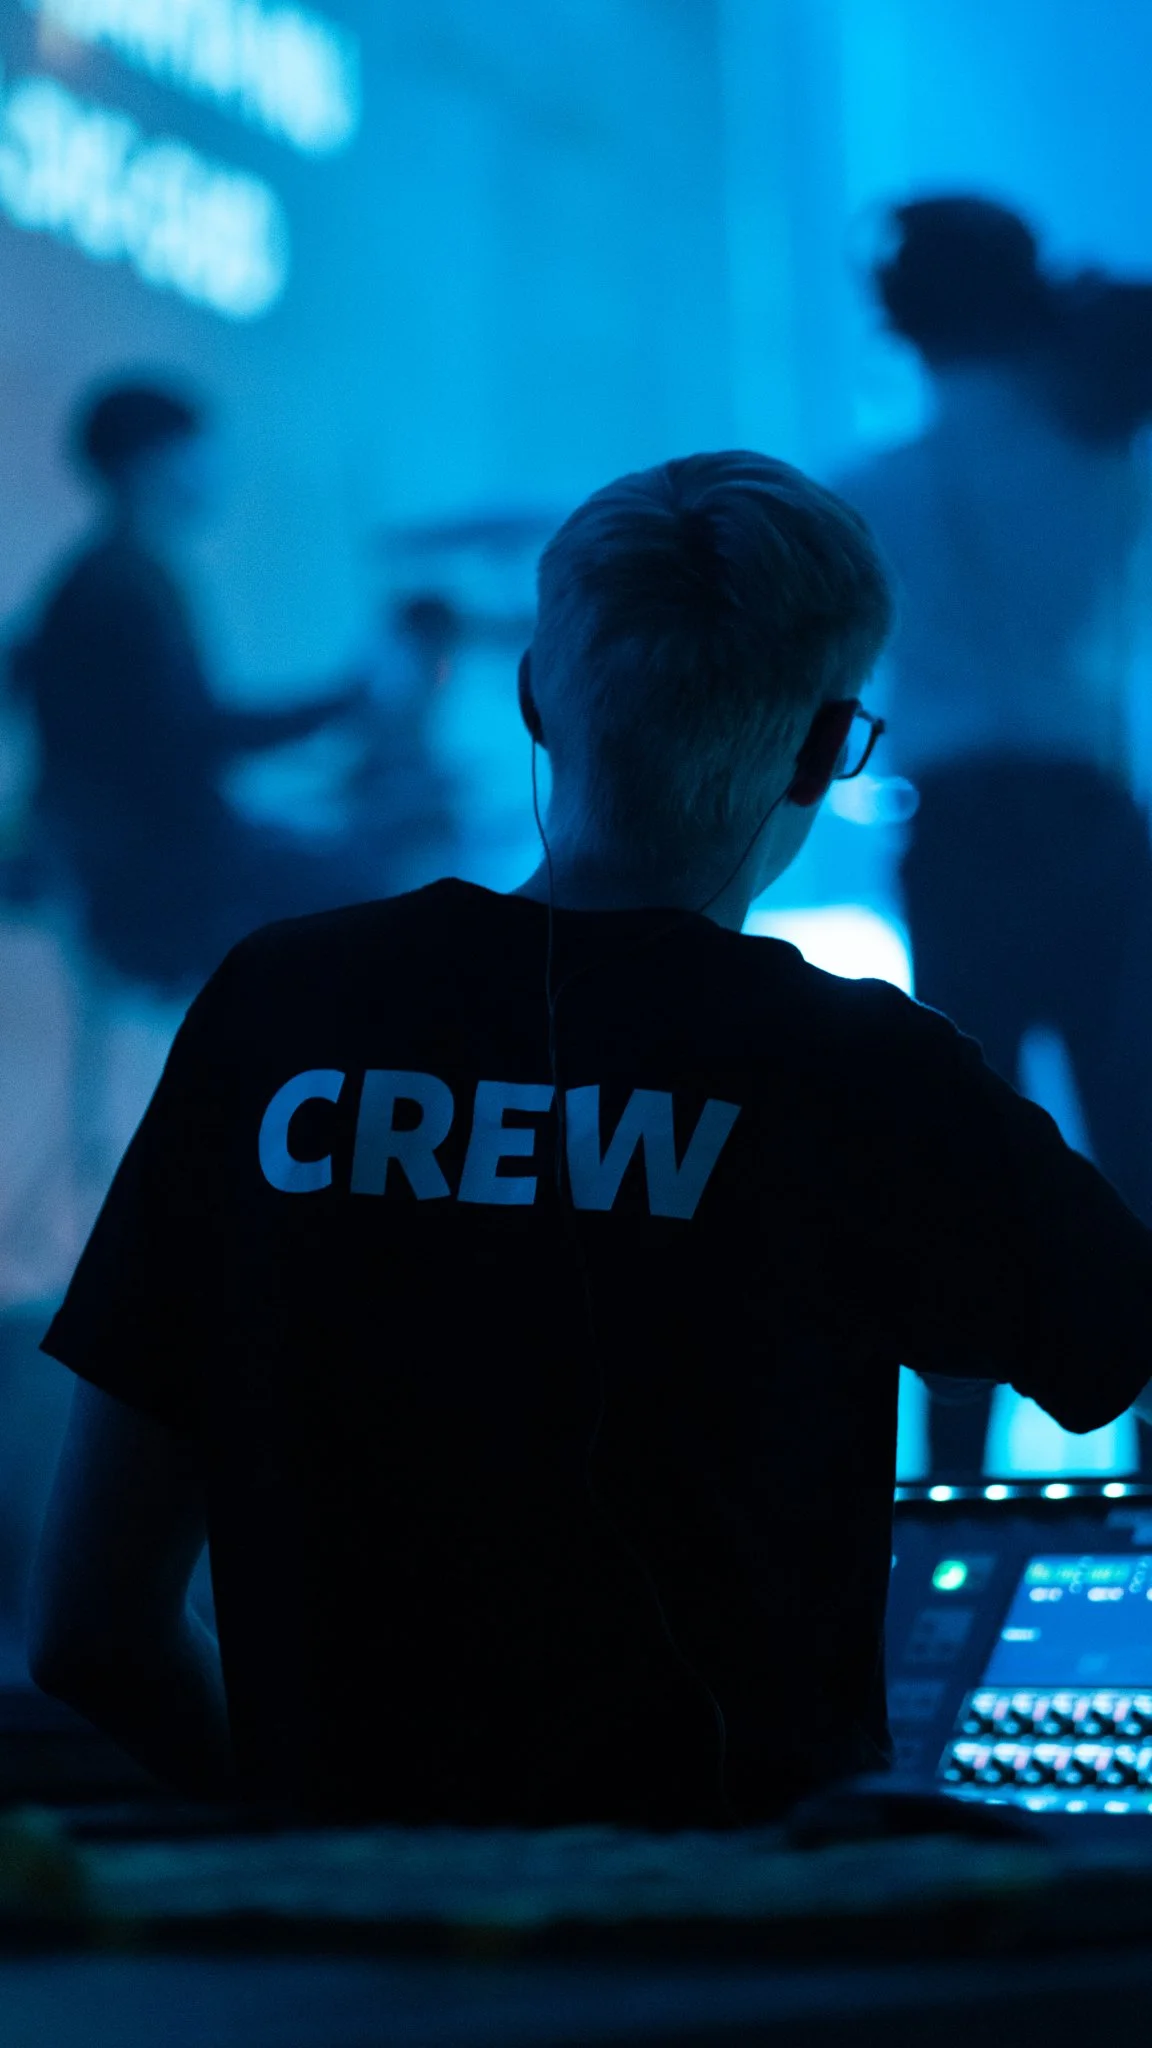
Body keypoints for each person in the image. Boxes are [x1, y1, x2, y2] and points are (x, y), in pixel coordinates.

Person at [26, 452, 1152, 1825]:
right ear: (823, 748)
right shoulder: (863, 1074)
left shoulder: (282, 1007)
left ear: (532, 702)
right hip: (755, 1973)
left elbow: (92, 1632)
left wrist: (336, 1849)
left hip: (347, 1983)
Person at [837, 198, 1152, 1479]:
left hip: (959, 838)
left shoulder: (867, 493)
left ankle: (955, 1477)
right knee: (1135, 1142)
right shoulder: (1108, 464)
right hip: (1094, 829)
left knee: (967, 1160)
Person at [15, 381, 374, 995]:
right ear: (155, 461)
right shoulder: (125, 588)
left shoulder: (107, 575)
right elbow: (191, 737)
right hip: (159, 882)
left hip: (144, 864)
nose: (215, 474)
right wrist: (343, 703)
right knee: (381, 894)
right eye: (200, 453)